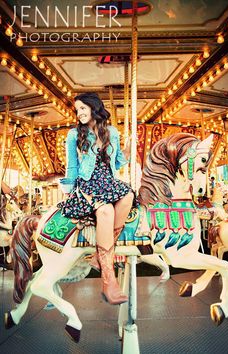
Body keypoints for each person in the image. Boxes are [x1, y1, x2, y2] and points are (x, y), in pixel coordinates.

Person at [60, 92, 136, 305]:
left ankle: (98, 257)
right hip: (88, 182)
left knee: (129, 195)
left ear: (94, 107)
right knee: (105, 211)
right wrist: (68, 190)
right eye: (77, 110)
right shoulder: (74, 134)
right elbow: (72, 165)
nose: (79, 113)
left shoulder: (112, 131)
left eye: (83, 108)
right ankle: (108, 280)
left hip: (108, 180)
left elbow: (119, 162)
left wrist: (129, 148)